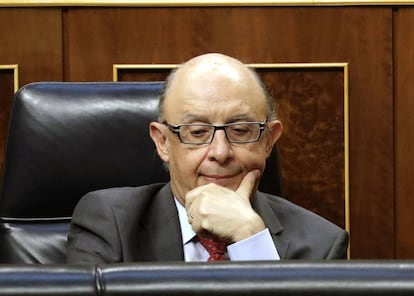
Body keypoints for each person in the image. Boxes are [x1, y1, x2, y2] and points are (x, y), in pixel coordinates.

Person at [66, 53, 348, 263]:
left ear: (269, 140)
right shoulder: (111, 224)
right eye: (198, 132)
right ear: (163, 142)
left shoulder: (321, 245)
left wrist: (252, 241)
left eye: (240, 130)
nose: (220, 152)